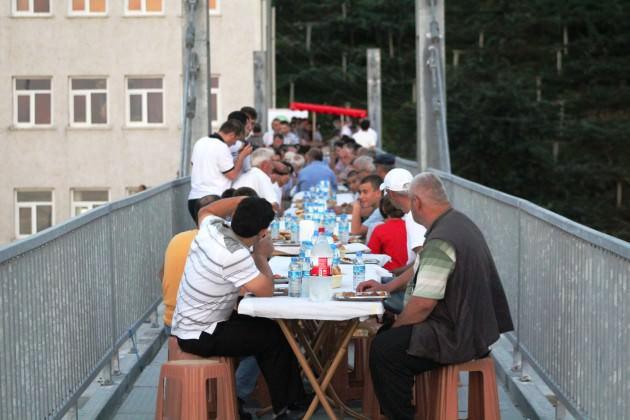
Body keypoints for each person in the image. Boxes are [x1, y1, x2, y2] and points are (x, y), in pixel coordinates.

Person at [365, 172, 514, 420]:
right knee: (389, 339)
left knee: (385, 349)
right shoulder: (460, 223)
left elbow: (423, 305)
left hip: (457, 336)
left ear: (418, 203)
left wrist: (398, 325)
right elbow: (422, 278)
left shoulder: (440, 239)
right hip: (476, 329)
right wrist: (390, 290)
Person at [171, 196, 305, 419]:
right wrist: (261, 255)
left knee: (266, 328)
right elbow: (266, 290)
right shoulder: (236, 255)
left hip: (190, 320)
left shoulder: (212, 228)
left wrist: (246, 200)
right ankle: (289, 407)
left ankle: (283, 402)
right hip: (201, 332)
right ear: (262, 232)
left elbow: (207, 209)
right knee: (271, 337)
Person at [187, 119, 251, 224]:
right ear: (232, 135)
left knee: (203, 236)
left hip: (194, 199)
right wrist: (242, 156)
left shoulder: (200, 142)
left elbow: (195, 164)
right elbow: (232, 174)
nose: (233, 144)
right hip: (213, 200)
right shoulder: (221, 147)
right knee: (218, 237)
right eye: (235, 140)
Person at [232, 148, 280, 212]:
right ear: (264, 164)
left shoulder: (242, 175)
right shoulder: (261, 175)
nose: (273, 167)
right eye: (272, 163)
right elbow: (273, 205)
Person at [367, 195, 408, 271]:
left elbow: (371, 258)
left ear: (383, 209)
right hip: (409, 274)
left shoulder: (380, 229)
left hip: (387, 275)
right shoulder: (411, 228)